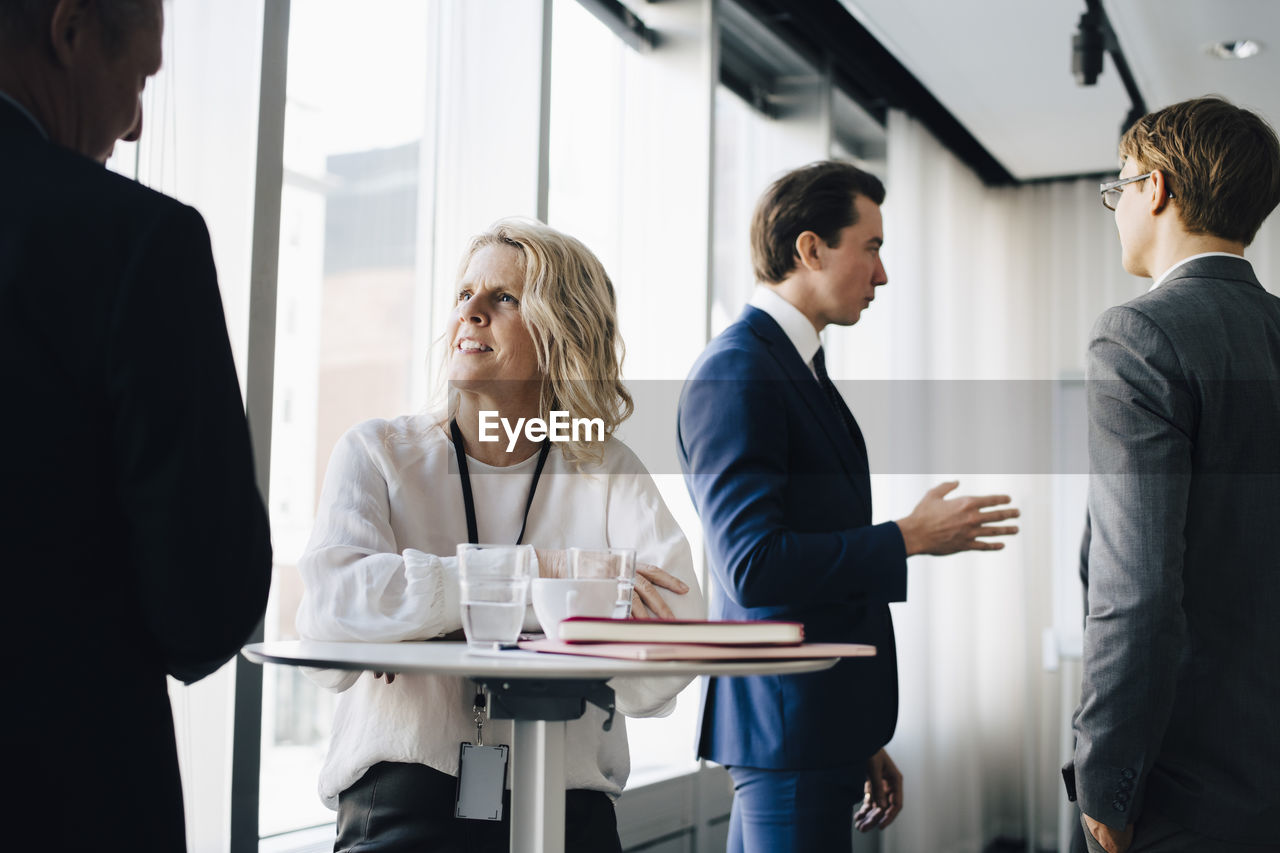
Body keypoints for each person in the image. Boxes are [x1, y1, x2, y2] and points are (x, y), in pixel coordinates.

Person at [297, 218, 705, 853]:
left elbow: (672, 636)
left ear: (562, 331)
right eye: (465, 295)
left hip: (572, 813)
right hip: (403, 803)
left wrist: (429, 612)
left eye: (504, 298)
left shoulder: (607, 467)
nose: (471, 312)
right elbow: (332, 614)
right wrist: (548, 578)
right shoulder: (377, 451)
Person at [677, 160, 1020, 853]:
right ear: (810, 249)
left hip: (815, 724)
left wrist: (858, 735)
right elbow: (752, 566)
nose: (882, 274)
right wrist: (906, 536)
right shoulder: (740, 369)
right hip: (788, 726)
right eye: (872, 247)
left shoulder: (795, 366)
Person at [0, 0, 274, 849]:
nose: (137, 119)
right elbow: (207, 600)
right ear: (71, 31)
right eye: (141, 77)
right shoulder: (136, 241)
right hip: (64, 796)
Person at [1069, 97, 1280, 853]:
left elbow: (1138, 592)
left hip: (1190, 787)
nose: (1116, 208)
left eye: (1117, 188)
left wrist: (1105, 783)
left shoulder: (1140, 335)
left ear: (1155, 190)